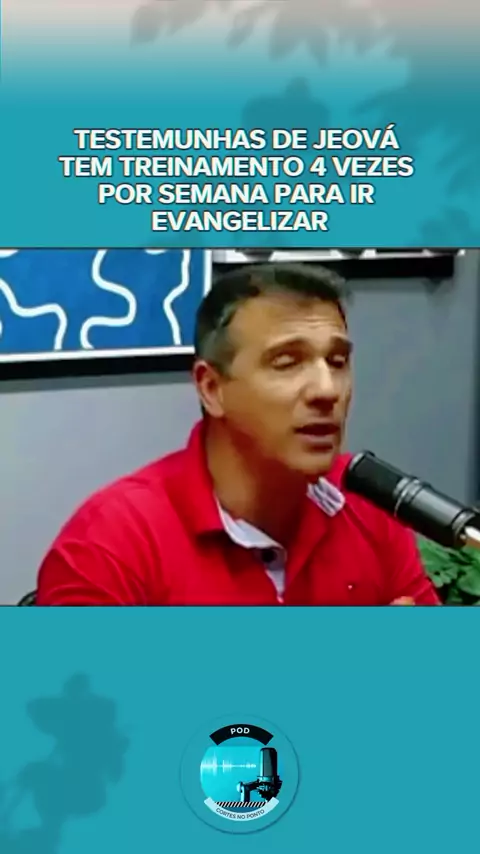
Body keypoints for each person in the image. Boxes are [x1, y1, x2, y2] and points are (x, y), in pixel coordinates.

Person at [36, 263, 439, 606]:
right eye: (287, 362)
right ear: (212, 388)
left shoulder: (368, 503)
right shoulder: (111, 542)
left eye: (337, 361)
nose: (327, 390)